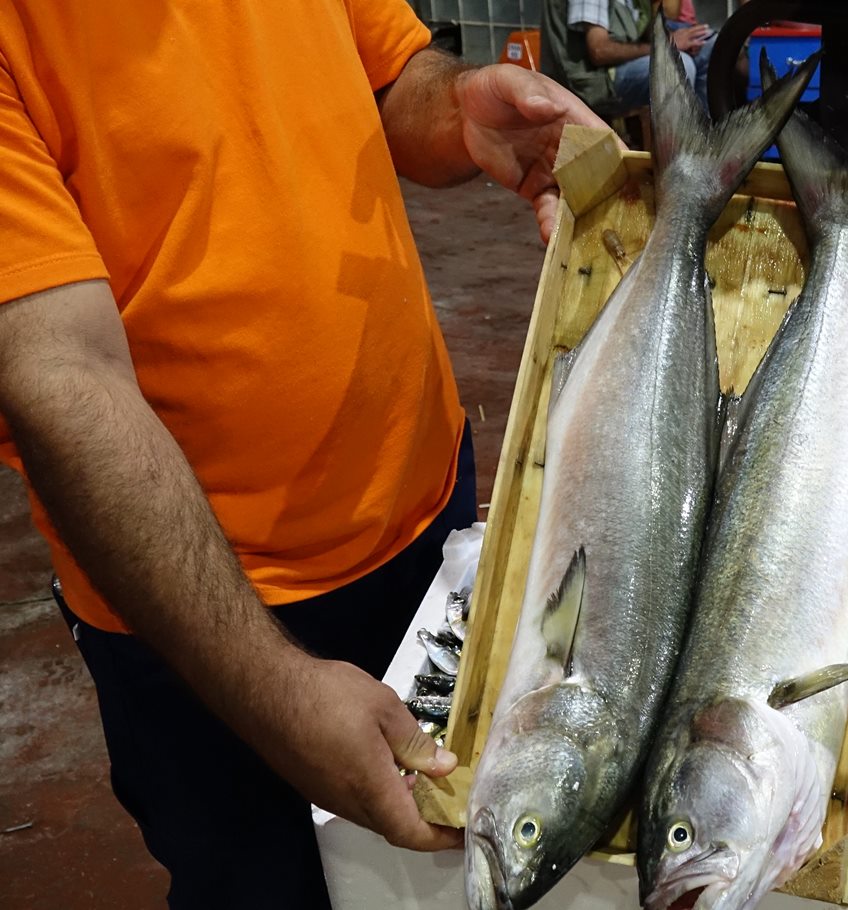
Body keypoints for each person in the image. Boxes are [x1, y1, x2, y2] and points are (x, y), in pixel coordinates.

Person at [0, 1, 604, 907]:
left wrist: (456, 107)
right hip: (209, 620)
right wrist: (276, 693)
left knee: (459, 873)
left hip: (426, 516)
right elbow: (60, 373)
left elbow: (388, 72)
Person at [542, 0, 714, 116]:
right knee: (677, 65)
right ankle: (676, 151)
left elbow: (645, 34)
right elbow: (599, 51)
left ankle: (704, 141)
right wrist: (665, 46)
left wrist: (678, 37)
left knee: (709, 46)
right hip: (596, 80)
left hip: (622, 66)